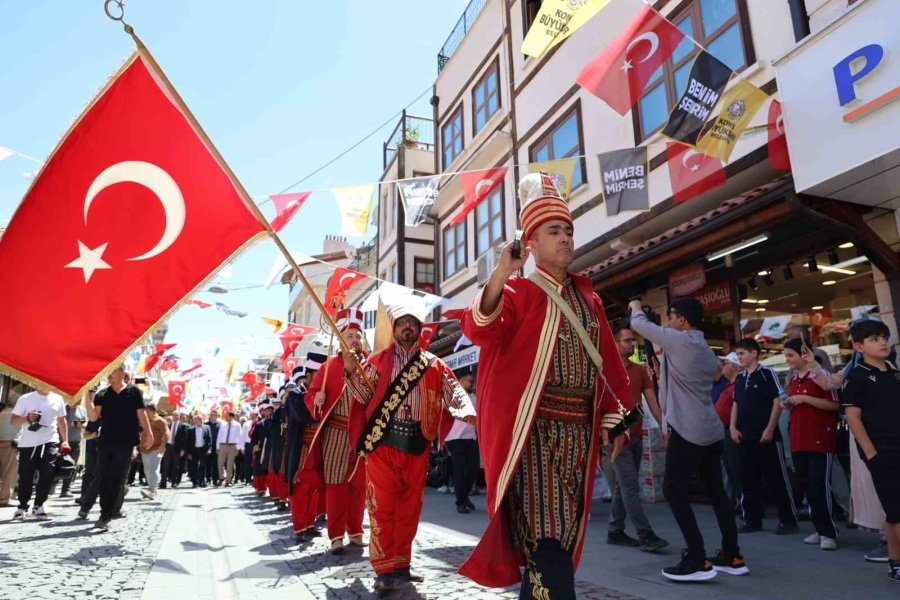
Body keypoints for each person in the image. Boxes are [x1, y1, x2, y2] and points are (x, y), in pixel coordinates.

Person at [458, 172, 630, 598]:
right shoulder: (518, 291)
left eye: (568, 231)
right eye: (554, 231)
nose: (566, 238)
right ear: (530, 244)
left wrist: (616, 420)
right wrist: (501, 271)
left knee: (556, 539)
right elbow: (479, 325)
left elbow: (608, 364)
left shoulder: (588, 299)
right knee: (545, 533)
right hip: (532, 435)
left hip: (578, 437)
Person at [345, 298, 475, 594]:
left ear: (419, 328)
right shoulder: (377, 361)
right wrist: (352, 370)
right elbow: (363, 395)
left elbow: (454, 390)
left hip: (418, 445)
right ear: (394, 328)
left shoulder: (435, 365)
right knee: (382, 508)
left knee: (409, 509)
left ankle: (401, 564)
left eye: (412, 323)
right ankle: (383, 568)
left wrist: (467, 410)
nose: (407, 327)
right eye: (402, 323)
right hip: (383, 445)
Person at [630, 297, 746, 581]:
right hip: (709, 427)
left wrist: (635, 306)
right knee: (717, 491)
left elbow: (638, 324)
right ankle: (732, 554)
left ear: (682, 319)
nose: (668, 321)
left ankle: (696, 558)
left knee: (673, 490)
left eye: (671, 316)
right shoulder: (705, 349)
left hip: (687, 429)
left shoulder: (679, 341)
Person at [305, 309, 369, 554]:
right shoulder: (328, 367)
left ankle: (356, 531)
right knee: (336, 484)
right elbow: (311, 395)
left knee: (359, 485)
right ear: (340, 338)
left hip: (362, 434)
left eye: (357, 335)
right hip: (335, 433)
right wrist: (317, 398)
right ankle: (336, 536)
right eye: (349, 334)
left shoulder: (370, 365)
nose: (354, 339)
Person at [841, 319, 900, 582]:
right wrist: (872, 454)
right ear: (858, 346)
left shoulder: (894, 371)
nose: (883, 343)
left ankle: (895, 562)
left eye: (884, 337)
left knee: (894, 510)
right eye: (874, 339)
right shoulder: (857, 376)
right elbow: (853, 418)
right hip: (882, 451)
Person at [605, 325, 668, 552]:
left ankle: (615, 530)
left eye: (633, 341)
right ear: (615, 343)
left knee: (624, 487)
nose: (632, 344)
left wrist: (664, 427)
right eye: (627, 341)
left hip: (637, 434)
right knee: (630, 485)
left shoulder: (640, 370)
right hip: (615, 437)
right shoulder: (604, 370)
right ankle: (645, 533)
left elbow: (652, 401)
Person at [731, 338, 798, 535]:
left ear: (754, 353)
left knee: (776, 478)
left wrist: (769, 429)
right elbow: (735, 403)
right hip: (744, 436)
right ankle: (752, 519)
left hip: (766, 436)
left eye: (742, 353)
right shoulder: (741, 378)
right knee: (747, 479)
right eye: (738, 354)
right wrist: (733, 427)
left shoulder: (768, 374)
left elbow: (778, 400)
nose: (739, 358)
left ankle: (788, 520)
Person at [781, 338, 839, 549]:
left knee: (819, 484)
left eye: (791, 355)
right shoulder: (794, 380)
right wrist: (789, 402)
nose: (787, 360)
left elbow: (833, 404)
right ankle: (819, 528)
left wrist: (804, 400)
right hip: (798, 439)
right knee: (807, 485)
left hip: (819, 439)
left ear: (805, 355)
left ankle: (828, 532)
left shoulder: (822, 377)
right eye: (786, 355)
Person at [87, 366, 151, 530]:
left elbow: (142, 414)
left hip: (125, 442)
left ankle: (108, 514)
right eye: (108, 372)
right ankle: (105, 512)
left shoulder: (134, 392)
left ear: (122, 372)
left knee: (117, 478)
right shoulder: (102, 394)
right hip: (106, 441)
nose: (109, 374)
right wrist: (87, 397)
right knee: (103, 476)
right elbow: (93, 416)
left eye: (113, 371)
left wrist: (148, 434)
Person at [10, 387, 69, 519]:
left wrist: (65, 441)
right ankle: (23, 505)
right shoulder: (25, 398)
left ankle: (39, 505)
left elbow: (61, 421)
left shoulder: (58, 398)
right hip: (28, 443)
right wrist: (28, 417)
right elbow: (13, 420)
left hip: (50, 441)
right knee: (26, 475)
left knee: (47, 474)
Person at [286, 355, 327, 540]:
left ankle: (310, 523)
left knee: (314, 487)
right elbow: (305, 416)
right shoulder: (295, 395)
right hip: (302, 447)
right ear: (309, 375)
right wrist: (317, 403)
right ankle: (300, 527)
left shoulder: (324, 393)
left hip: (318, 445)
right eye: (318, 375)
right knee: (300, 487)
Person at [444, 370, 479, 515]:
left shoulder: (474, 397)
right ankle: (461, 502)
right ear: (461, 380)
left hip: (471, 437)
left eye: (472, 381)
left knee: (473, 468)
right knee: (460, 470)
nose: (472, 384)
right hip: (454, 438)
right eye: (469, 381)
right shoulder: (452, 395)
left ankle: (464, 497)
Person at [714, 353, 743, 510]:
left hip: (732, 432)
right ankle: (740, 502)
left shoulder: (737, 386)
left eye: (726, 363)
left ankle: (743, 504)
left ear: (733, 367)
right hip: (724, 432)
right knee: (731, 470)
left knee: (736, 470)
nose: (723, 366)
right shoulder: (728, 386)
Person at [60, 398, 88, 498]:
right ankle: (51, 486)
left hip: (76, 441)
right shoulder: (63, 408)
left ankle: (65, 489)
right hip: (61, 441)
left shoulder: (82, 410)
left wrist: (81, 425)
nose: (78, 399)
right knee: (56, 465)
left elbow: (86, 424)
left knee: (72, 465)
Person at [140, 404, 169, 499]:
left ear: (152, 411)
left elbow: (166, 434)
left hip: (156, 449)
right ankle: (151, 488)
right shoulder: (144, 421)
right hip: (145, 449)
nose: (145, 413)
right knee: (147, 470)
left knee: (153, 469)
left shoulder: (160, 421)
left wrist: (162, 446)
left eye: (147, 411)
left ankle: (152, 490)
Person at [0, 401, 23, 507]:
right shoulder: (17, 415)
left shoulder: (2, 413)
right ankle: (4, 498)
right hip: (10, 445)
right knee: (10, 472)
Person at [161, 411, 187, 489]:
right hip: (168, 447)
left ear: (179, 416)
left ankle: (174, 482)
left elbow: (185, 439)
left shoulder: (182, 426)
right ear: (172, 416)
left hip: (177, 448)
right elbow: (164, 436)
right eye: (174, 415)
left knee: (175, 466)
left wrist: (183, 449)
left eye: (177, 415)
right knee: (166, 465)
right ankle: (163, 483)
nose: (175, 417)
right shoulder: (168, 425)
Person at [216, 410, 241, 487]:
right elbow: (219, 436)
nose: (226, 417)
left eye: (227, 415)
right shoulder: (223, 425)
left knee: (230, 464)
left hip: (232, 446)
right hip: (223, 445)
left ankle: (228, 481)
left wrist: (238, 448)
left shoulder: (237, 425)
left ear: (231, 416)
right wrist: (217, 447)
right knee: (220, 462)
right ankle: (221, 477)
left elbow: (239, 436)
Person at [187, 414, 212, 488]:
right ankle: (195, 482)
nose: (200, 421)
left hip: (203, 449)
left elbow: (209, 440)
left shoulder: (207, 427)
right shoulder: (190, 429)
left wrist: (209, 449)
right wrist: (188, 453)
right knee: (194, 466)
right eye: (198, 419)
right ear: (195, 421)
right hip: (194, 450)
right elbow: (187, 442)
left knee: (202, 466)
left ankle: (202, 481)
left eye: (201, 419)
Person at [206, 409, 222, 487]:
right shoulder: (206, 424)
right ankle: (208, 479)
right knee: (207, 464)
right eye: (211, 415)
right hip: (208, 447)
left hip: (217, 447)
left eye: (214, 415)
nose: (212, 416)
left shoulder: (220, 425)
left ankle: (215, 479)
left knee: (216, 464)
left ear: (216, 416)